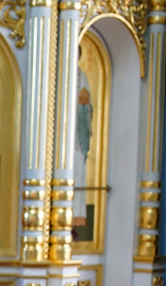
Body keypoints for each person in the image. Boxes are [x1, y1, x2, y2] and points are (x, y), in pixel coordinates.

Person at [73, 56, 92, 237]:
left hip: (77, 138)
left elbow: (86, 108)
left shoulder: (82, 77)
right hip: (61, 134)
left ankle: (74, 219)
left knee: (78, 175)